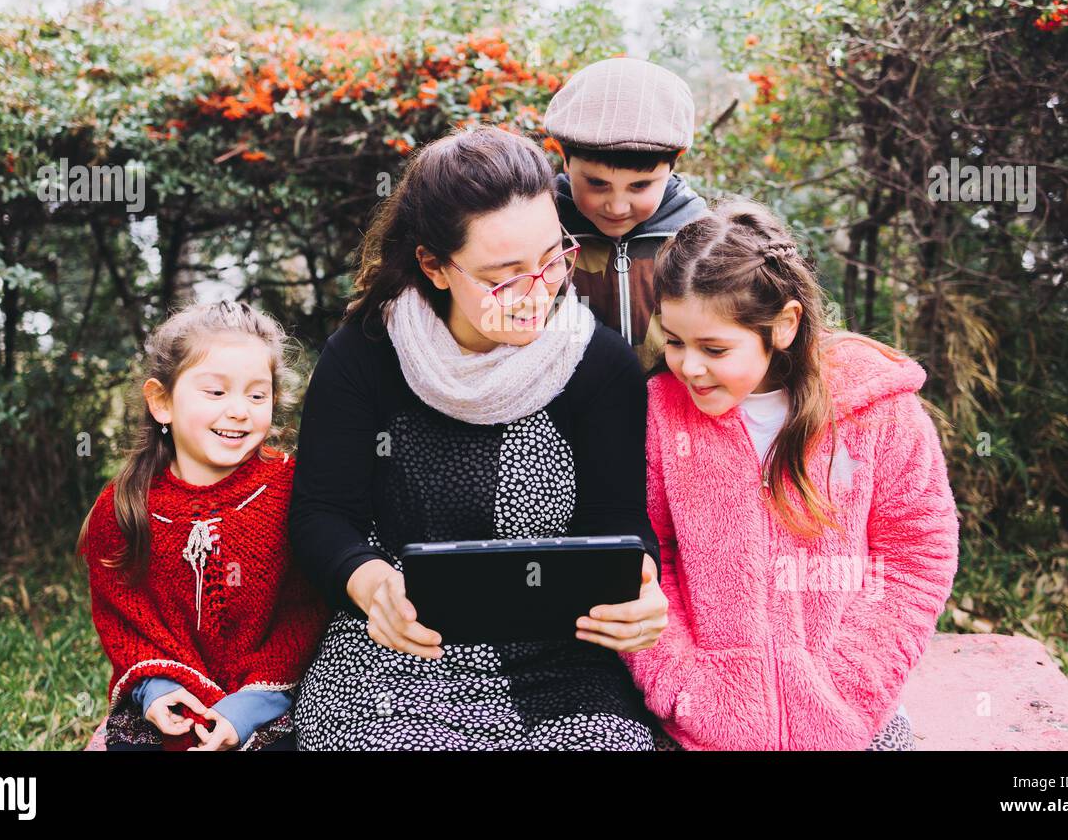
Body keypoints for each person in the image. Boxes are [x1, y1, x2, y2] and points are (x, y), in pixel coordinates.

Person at [288, 125, 667, 750]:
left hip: (556, 655)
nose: (539, 294)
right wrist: (367, 581)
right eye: (504, 275)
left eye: (553, 259)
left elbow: (619, 521)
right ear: (435, 266)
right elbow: (322, 514)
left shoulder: (597, 365)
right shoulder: (367, 352)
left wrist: (640, 587)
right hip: (396, 649)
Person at [621, 197, 960, 750]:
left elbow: (916, 549)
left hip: (851, 715)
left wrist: (856, 682)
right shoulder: (662, 414)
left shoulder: (876, 407)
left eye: (714, 347)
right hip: (699, 722)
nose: (689, 366)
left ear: (783, 324)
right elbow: (652, 554)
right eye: (675, 341)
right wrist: (684, 683)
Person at [78, 300, 327, 751]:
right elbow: (125, 621)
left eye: (257, 395)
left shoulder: (292, 490)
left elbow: (304, 613)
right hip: (165, 703)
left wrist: (246, 709)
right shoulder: (124, 506)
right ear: (161, 402)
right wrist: (156, 691)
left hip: (269, 703)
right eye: (215, 392)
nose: (239, 411)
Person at [543, 56, 709, 373]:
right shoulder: (543, 231)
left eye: (640, 186)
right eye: (597, 183)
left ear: (675, 162)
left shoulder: (701, 237)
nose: (617, 207)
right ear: (565, 158)